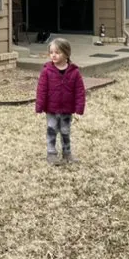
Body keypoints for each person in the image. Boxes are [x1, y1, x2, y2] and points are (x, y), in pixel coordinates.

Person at [35, 37, 86, 165]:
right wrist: (39, 108)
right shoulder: (47, 71)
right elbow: (41, 91)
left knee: (65, 132)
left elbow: (80, 92)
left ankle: (67, 154)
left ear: (66, 54)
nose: (53, 55)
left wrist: (79, 109)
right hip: (51, 110)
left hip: (67, 110)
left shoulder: (74, 72)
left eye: (57, 52)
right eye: (51, 52)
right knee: (51, 130)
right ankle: (51, 154)